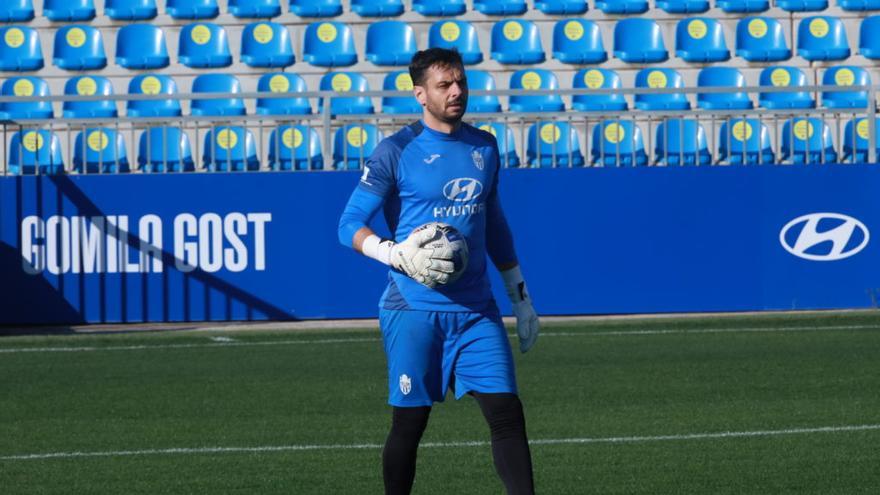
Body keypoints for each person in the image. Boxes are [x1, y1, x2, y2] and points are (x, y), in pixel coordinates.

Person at [337, 48, 540, 495]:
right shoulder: (394, 151)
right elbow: (348, 225)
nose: (456, 92)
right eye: (444, 85)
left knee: (507, 414)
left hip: (476, 310)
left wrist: (520, 296)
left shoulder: (484, 145)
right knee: (410, 424)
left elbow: (496, 224)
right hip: (413, 309)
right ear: (420, 94)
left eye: (461, 83)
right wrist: (396, 254)